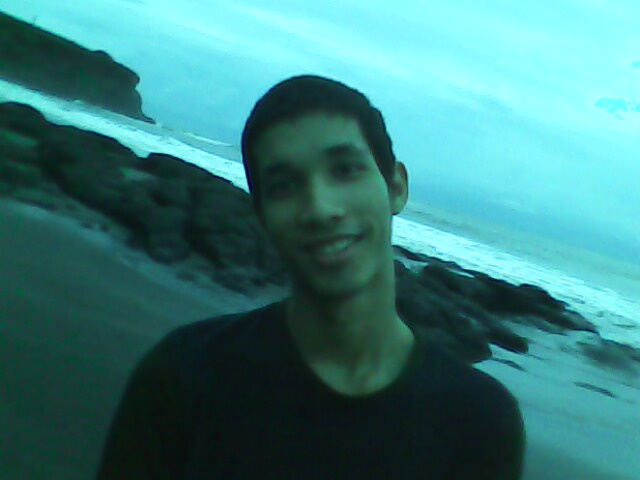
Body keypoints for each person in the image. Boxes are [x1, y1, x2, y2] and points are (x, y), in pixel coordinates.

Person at [96, 75, 526, 479]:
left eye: (345, 169)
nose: (319, 208)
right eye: (284, 186)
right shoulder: (184, 374)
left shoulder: (479, 420)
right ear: (262, 215)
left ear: (395, 187)